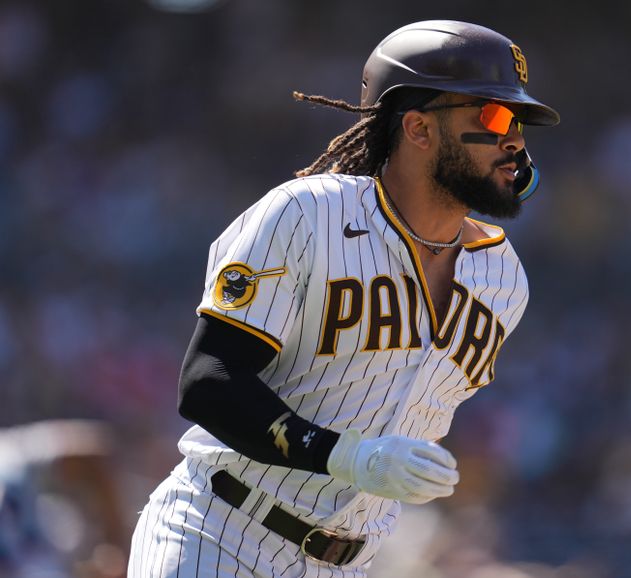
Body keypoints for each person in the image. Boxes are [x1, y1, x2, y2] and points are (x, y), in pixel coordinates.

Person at [128, 19, 559, 578]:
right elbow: (209, 380)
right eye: (494, 116)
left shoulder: (505, 283)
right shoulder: (308, 215)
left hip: (349, 565)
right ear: (420, 130)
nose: (516, 140)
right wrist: (345, 455)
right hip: (219, 533)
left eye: (520, 121)